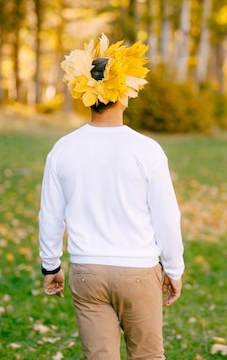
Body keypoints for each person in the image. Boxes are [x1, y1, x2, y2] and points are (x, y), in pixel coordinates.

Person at [39, 34, 185, 360]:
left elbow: (50, 215)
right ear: (125, 94)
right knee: (147, 356)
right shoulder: (146, 150)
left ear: (85, 94)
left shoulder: (63, 149)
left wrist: (50, 266)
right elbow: (167, 218)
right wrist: (173, 269)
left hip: (87, 270)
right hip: (138, 272)